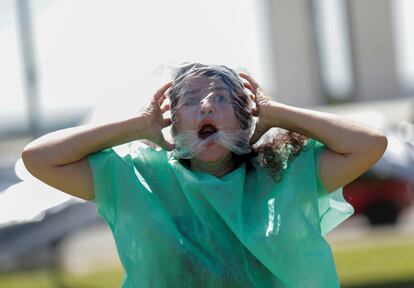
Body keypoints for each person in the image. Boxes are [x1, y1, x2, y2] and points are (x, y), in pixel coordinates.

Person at [21, 63, 388, 287]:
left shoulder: (282, 173)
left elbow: (369, 144)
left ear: (245, 116)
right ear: (172, 119)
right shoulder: (138, 178)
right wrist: (137, 125)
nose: (207, 105)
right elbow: (40, 158)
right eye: (191, 99)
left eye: (222, 98)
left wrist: (277, 113)